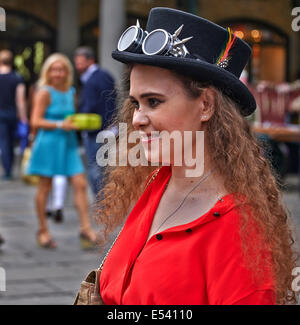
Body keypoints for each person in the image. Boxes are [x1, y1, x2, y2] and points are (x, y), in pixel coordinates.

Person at [95, 8, 298, 305]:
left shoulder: (238, 232)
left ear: (205, 105)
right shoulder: (157, 181)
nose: (137, 118)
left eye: (153, 101)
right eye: (136, 103)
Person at [27, 53, 97, 249]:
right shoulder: (44, 92)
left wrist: (76, 123)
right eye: (54, 69)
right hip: (48, 143)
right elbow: (35, 121)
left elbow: (69, 117)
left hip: (68, 144)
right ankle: (43, 230)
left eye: (61, 69)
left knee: (80, 183)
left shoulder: (70, 91)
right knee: (45, 187)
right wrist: (60, 124)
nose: (57, 73)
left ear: (67, 72)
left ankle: (85, 228)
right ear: (48, 72)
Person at [74, 47, 116, 195]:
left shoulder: (99, 77)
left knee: (97, 168)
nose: (78, 66)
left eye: (81, 62)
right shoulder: (95, 77)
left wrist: (109, 125)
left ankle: (102, 203)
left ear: (90, 61)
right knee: (99, 167)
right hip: (97, 129)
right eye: (76, 63)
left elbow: (109, 102)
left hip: (100, 130)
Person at [0, 49, 27, 180]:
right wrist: (24, 118)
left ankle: (7, 170)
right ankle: (9, 167)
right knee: (10, 142)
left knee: (4, 142)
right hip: (12, 114)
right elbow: (20, 100)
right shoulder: (16, 77)